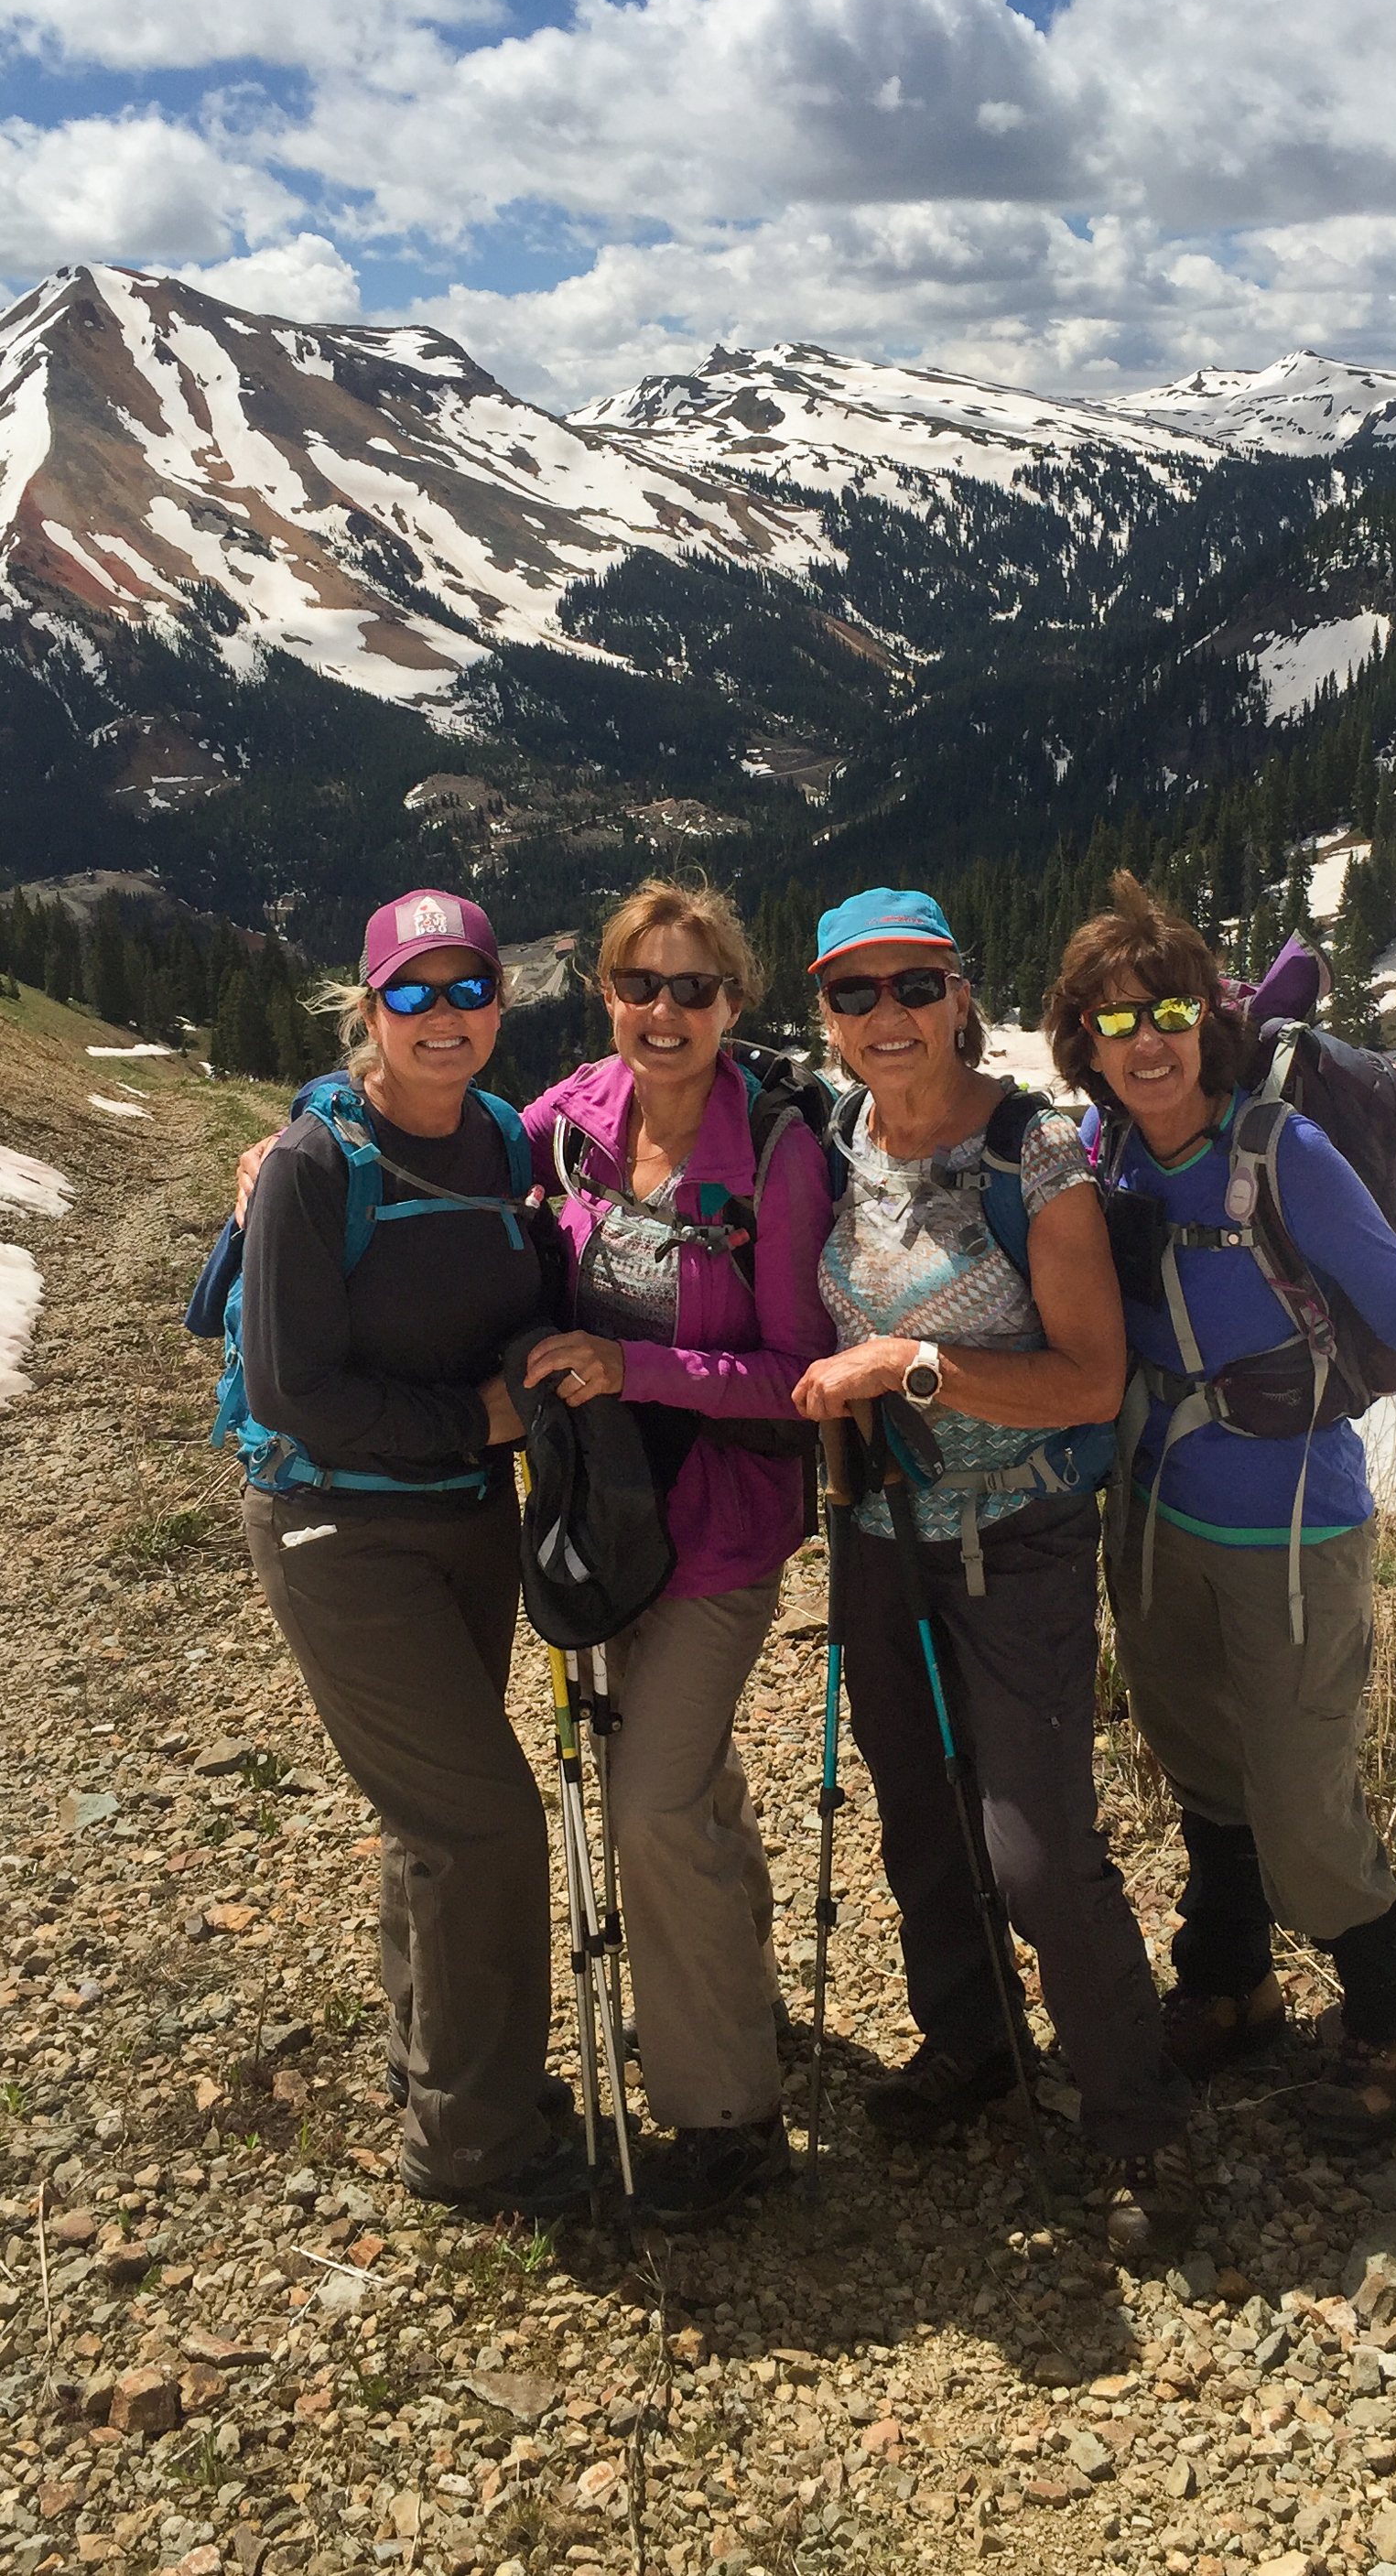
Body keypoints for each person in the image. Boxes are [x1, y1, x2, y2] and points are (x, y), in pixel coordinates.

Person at [1042, 871, 1396, 2138]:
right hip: (1152, 1515)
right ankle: (1231, 1986)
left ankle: (1390, 2012)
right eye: (1114, 1022)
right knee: (1198, 1767)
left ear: (1207, 1018)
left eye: (1166, 1011)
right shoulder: (1101, 1155)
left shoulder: (1277, 1151)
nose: (1146, 1042)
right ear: (1084, 1043)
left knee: (1299, 1799)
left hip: (1293, 1526)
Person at [791, 887, 1197, 2257]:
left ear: (961, 994)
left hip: (1013, 1538)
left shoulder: (1040, 1161)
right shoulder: (825, 1132)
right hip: (876, 1535)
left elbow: (1089, 1384)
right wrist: (310, 1120)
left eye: (914, 986)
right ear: (826, 1015)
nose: (886, 1016)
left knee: (1033, 1849)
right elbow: (611, 1089)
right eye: (856, 994)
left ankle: (1137, 2117)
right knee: (918, 1815)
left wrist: (907, 1365)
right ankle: (969, 2044)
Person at [237, 889, 584, 2220]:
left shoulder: (503, 1139)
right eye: (413, 994)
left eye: (468, 992)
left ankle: (448, 2067)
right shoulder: (320, 1166)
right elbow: (287, 1387)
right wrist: (480, 1417)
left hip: (465, 1513)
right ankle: (474, 2145)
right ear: (367, 1008)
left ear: (501, 1001)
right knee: (482, 1821)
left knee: (437, 1820)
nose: (445, 1019)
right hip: (338, 1523)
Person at [516, 879, 836, 2223]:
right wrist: (302, 1131)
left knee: (647, 1803)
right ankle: (739, 1992)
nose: (663, 1012)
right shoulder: (571, 1117)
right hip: (605, 1514)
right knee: (681, 1775)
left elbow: (796, 1375)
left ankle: (726, 2114)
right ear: (606, 996)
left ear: (732, 1003)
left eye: (691, 989)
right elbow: (433, 1124)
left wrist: (632, 1364)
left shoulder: (770, 1155)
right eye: (638, 986)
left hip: (720, 1529)